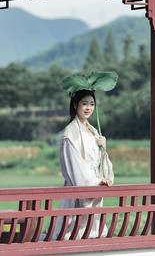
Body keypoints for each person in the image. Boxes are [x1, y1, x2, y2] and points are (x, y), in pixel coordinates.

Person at [47, 89, 114, 241]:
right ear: (76, 105)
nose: (89, 108)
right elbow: (75, 168)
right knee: (73, 233)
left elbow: (100, 162)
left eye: (92, 104)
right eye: (84, 104)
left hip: (96, 186)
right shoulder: (70, 134)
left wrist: (104, 149)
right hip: (80, 188)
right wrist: (96, 182)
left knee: (93, 231)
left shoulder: (94, 131)